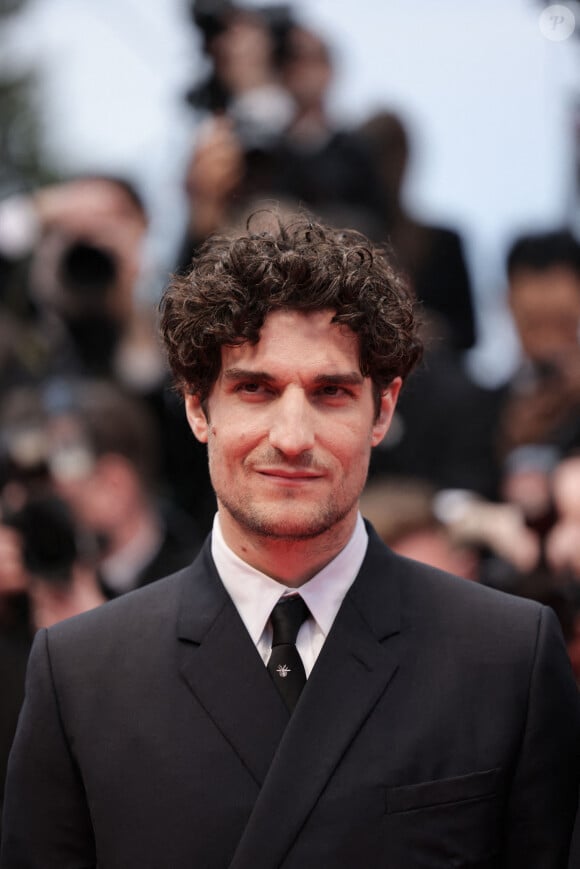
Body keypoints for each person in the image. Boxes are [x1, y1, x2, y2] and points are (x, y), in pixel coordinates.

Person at [2, 213, 579, 867]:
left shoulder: (507, 658)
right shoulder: (80, 674)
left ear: (383, 410)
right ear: (198, 405)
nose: (293, 436)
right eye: (255, 388)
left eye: (331, 392)